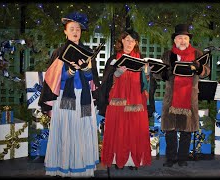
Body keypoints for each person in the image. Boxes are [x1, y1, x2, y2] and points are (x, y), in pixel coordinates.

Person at [38, 12, 99, 177]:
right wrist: (69, 72)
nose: (75, 32)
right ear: (65, 32)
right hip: (66, 98)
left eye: (78, 29)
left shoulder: (87, 52)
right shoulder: (59, 53)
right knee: (67, 130)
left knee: (82, 131)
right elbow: (53, 80)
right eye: (71, 29)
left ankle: (82, 167)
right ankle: (64, 166)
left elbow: (91, 80)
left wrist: (87, 70)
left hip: (84, 98)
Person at [153, 24, 210, 167]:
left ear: (189, 39)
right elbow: (157, 73)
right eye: (179, 38)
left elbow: (207, 71)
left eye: (185, 38)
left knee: (187, 130)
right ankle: (171, 158)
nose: (182, 41)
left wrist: (200, 68)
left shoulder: (197, 54)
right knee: (170, 130)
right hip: (171, 98)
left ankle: (182, 158)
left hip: (189, 97)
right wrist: (163, 73)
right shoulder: (167, 54)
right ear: (175, 40)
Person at [100, 29, 152, 170]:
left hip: (136, 102)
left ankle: (133, 161)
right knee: (119, 131)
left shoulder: (141, 59)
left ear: (136, 43)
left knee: (135, 132)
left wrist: (147, 73)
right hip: (118, 102)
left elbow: (146, 85)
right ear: (122, 40)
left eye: (133, 41)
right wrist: (117, 73)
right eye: (127, 40)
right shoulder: (113, 59)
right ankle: (119, 161)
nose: (130, 43)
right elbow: (106, 83)